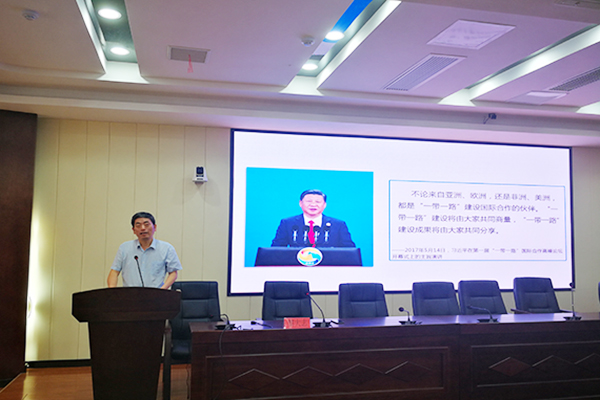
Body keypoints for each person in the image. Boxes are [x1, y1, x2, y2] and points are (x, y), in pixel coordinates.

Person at [107, 211, 181, 289]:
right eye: (138, 225)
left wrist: (161, 291)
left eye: (146, 224)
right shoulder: (124, 248)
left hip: (155, 293)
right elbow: (114, 272)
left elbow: (173, 273)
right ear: (133, 230)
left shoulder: (167, 248)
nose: (143, 228)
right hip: (130, 294)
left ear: (155, 227)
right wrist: (112, 292)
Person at [271, 189, 355, 247]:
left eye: (318, 202)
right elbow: (276, 249)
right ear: (300, 203)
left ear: (324, 205)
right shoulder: (288, 223)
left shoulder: (338, 225)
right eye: (309, 201)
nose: (313, 204)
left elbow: (348, 250)